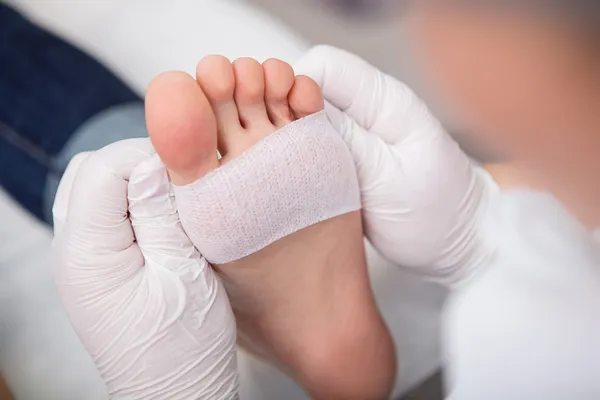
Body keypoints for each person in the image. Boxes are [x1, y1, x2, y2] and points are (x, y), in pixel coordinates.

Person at [53, 3, 600, 400]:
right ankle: (321, 341)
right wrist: (484, 243)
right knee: (160, 177)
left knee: (134, 189)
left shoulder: (547, 354)